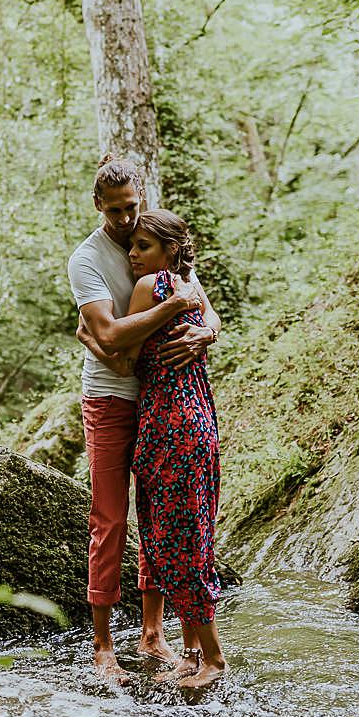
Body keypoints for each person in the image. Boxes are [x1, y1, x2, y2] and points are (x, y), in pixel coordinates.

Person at [66, 155, 220, 683]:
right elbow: (110, 335)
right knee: (110, 520)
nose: (126, 220)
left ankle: (152, 634)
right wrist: (169, 313)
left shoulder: (159, 236)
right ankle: (103, 646)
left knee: (157, 515)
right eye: (115, 211)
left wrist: (209, 330)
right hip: (111, 399)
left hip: (159, 399)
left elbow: (199, 299)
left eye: (132, 206)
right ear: (97, 205)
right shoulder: (85, 259)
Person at [123, 208, 227, 687]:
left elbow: (125, 358)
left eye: (142, 246)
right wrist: (206, 330)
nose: (132, 254)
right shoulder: (187, 282)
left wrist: (89, 334)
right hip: (198, 418)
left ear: (168, 249)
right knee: (191, 536)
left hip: (169, 425)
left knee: (178, 542)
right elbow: (213, 319)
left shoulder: (154, 287)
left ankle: (212, 660)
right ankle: (189, 652)